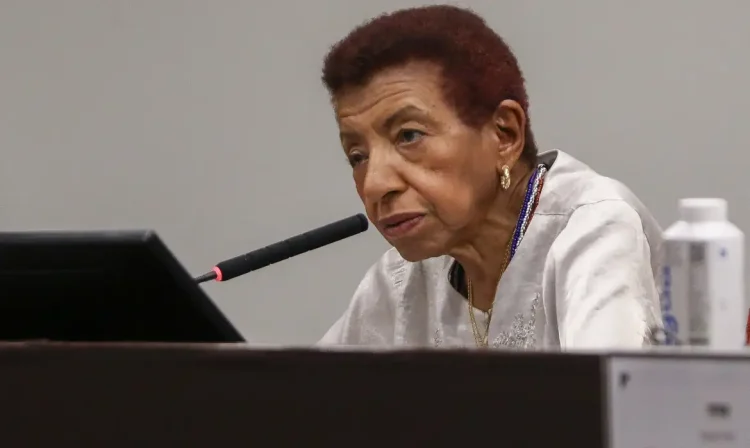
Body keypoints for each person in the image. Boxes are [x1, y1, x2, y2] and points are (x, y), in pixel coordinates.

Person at [317, 5, 663, 349]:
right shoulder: (401, 281)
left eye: (409, 136)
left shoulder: (595, 230)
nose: (375, 184)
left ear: (504, 134)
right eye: (357, 157)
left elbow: (603, 400)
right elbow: (302, 397)